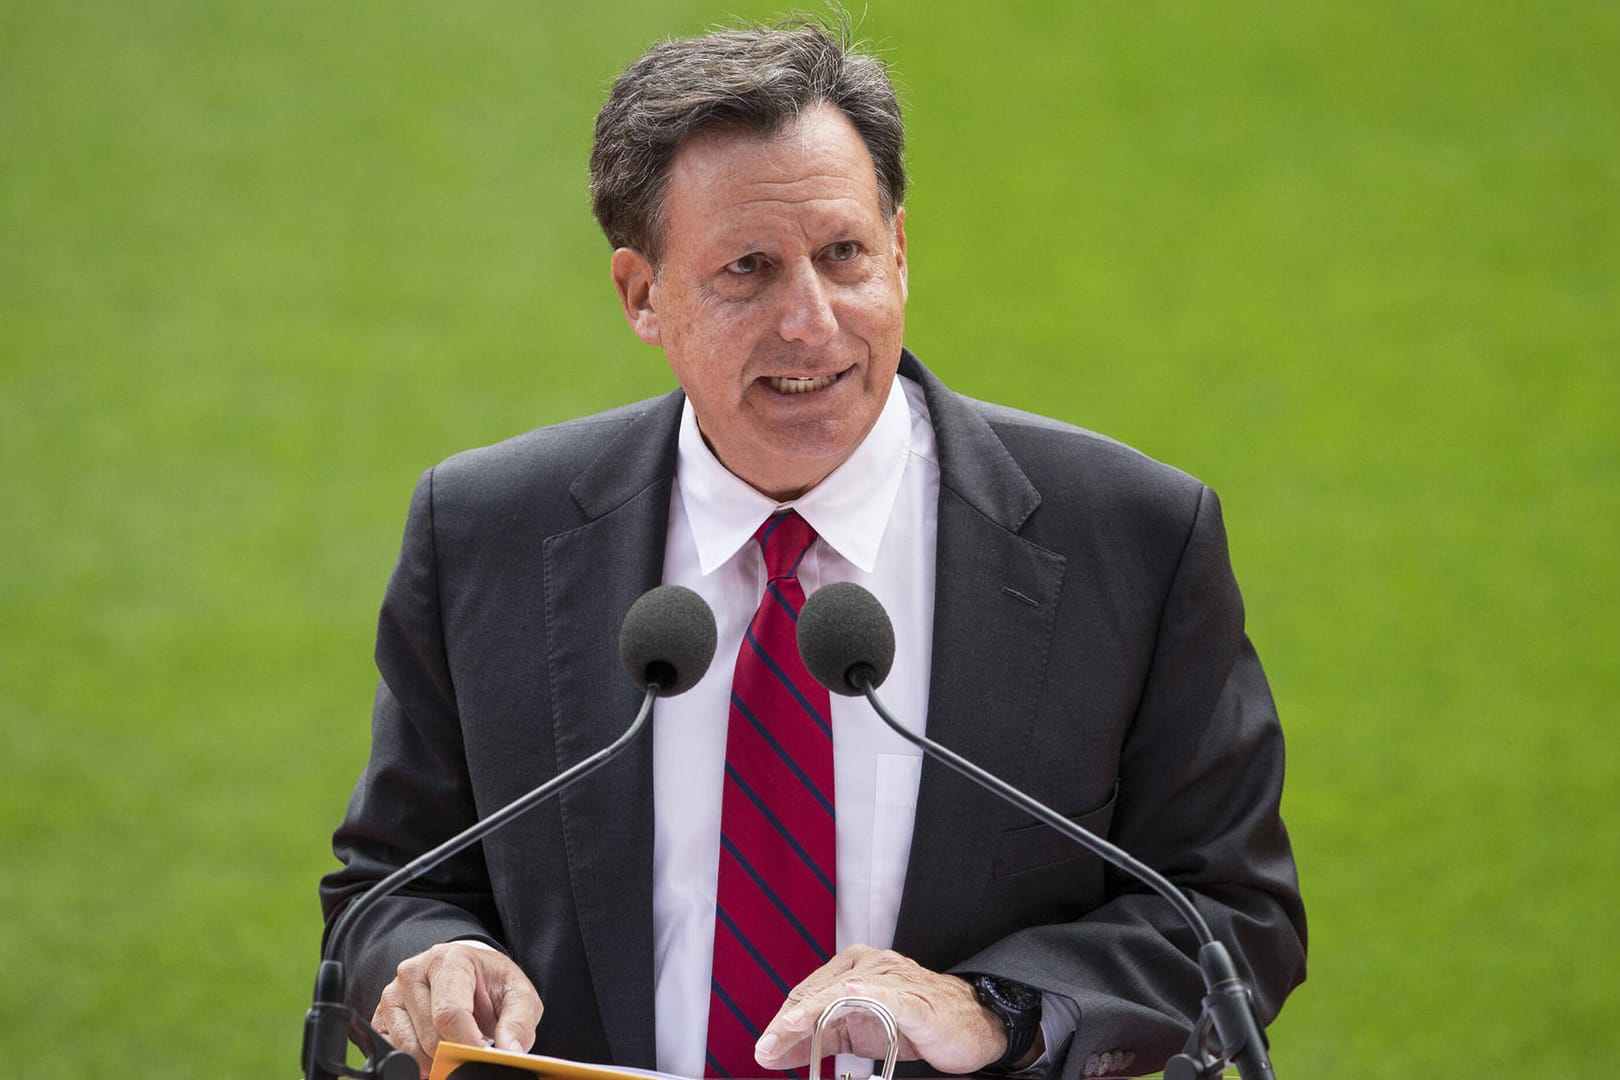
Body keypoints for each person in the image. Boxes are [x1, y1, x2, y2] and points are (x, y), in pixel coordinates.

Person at [320, 16, 1306, 1080]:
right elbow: (391, 884)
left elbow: (1231, 913)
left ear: (901, 252)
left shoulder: (1133, 537)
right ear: (642, 295)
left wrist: (998, 1008)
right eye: (749, 269)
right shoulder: (482, 534)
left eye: (844, 255)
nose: (811, 322)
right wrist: (436, 956)